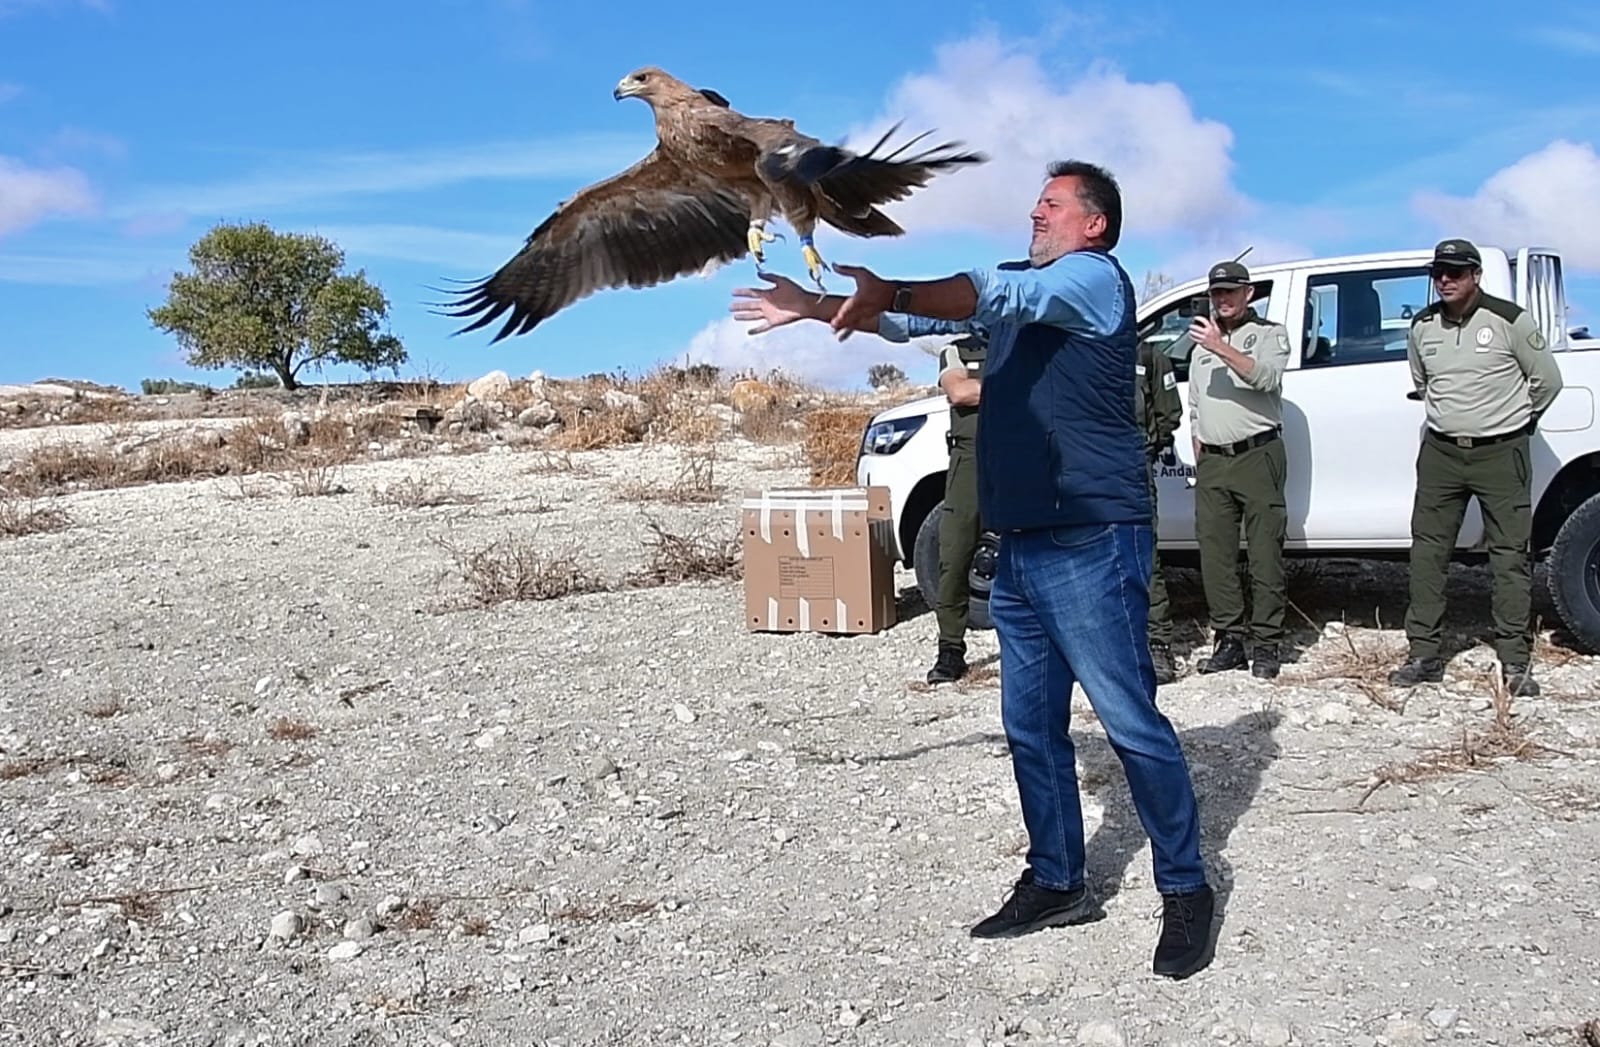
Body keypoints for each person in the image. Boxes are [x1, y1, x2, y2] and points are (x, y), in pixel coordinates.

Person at [729, 160, 1215, 980]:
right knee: (1031, 726)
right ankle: (1057, 879)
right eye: (1037, 202)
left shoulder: (1093, 280)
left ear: (1094, 223)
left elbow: (988, 291)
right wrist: (815, 305)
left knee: (1130, 723)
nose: (1036, 212)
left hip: (1092, 540)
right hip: (1023, 545)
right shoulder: (1030, 286)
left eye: (1052, 204)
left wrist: (893, 287)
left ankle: (1186, 885)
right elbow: (917, 322)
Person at [1389, 238, 1564, 696]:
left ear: (1476, 276)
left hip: (1500, 453)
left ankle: (1515, 662)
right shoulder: (1422, 326)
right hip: (1442, 453)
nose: (1445, 280)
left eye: (1455, 272)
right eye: (1438, 273)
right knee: (1428, 553)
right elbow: (1423, 381)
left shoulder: (1509, 320)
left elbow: (1547, 381)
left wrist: (1517, 422)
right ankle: (1424, 654)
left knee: (1509, 557)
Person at [1186, 260, 1292, 680]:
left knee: (1265, 553)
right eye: (1217, 292)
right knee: (1216, 555)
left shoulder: (1268, 334)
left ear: (1248, 293)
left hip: (1257, 455)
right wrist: (1199, 447)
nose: (1223, 299)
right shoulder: (1200, 347)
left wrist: (1221, 347)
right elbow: (1196, 405)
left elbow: (1266, 379)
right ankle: (1228, 639)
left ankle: (1267, 642)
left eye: (1231, 291)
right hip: (1214, 460)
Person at [928, 333, 988, 685]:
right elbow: (960, 392)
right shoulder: (959, 351)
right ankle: (951, 648)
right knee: (955, 552)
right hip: (970, 459)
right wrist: (1018, 384)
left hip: (1020, 454)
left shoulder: (1025, 340)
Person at [1137, 341, 1183, 684]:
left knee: (1144, 555)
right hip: (1088, 465)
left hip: (1133, 464)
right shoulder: (1081, 347)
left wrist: (1149, 447)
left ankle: (1157, 642)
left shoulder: (1148, 356)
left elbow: (1169, 414)